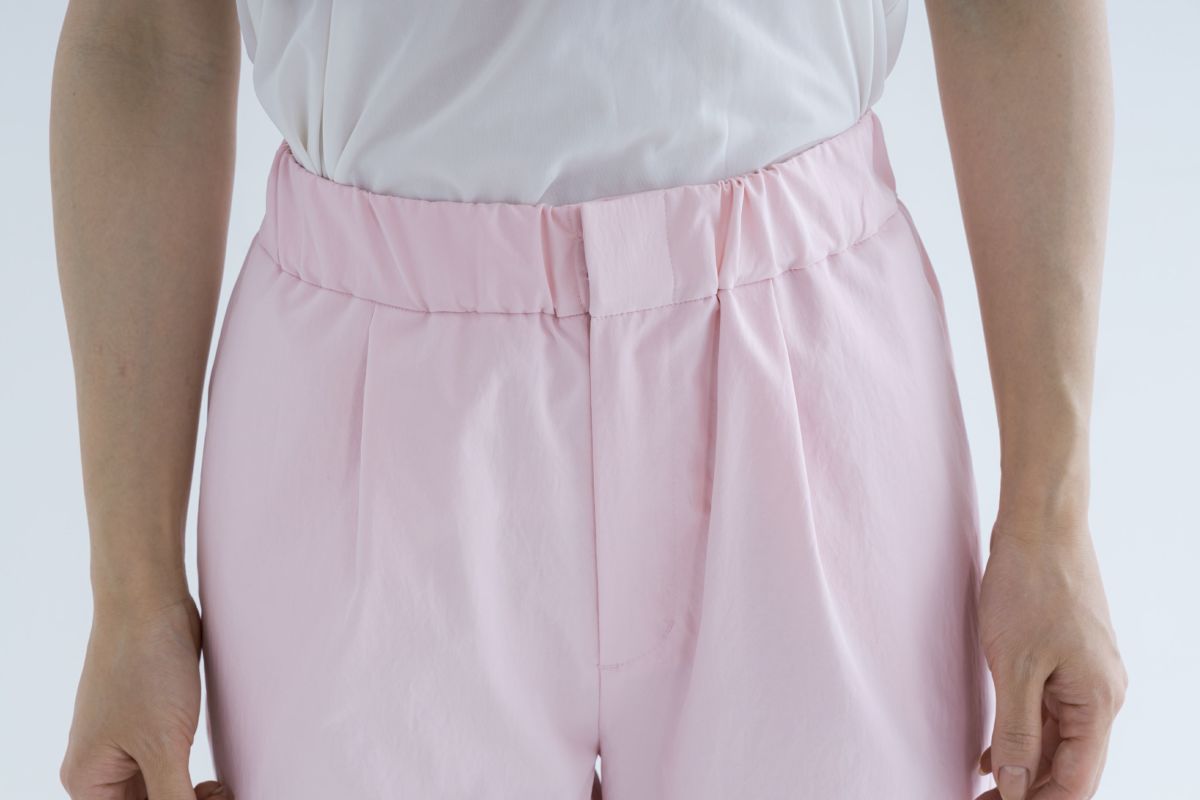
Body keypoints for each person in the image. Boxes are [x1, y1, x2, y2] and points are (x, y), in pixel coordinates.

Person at [51, 1, 1126, 798]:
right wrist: (132, 593)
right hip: (366, 413)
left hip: (805, 371)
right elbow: (145, 36)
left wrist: (1052, 517)